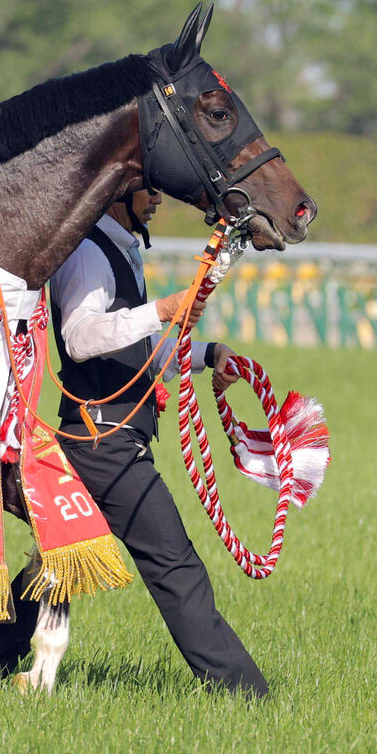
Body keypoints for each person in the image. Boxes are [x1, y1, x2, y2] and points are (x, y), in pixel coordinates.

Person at [45, 184, 268, 696]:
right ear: (118, 191)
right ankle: (244, 693)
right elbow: (81, 339)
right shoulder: (85, 252)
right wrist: (163, 308)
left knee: (58, 564)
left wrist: (209, 355)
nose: (158, 201)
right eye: (149, 191)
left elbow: (139, 356)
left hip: (105, 438)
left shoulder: (119, 249)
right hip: (105, 443)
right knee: (175, 564)